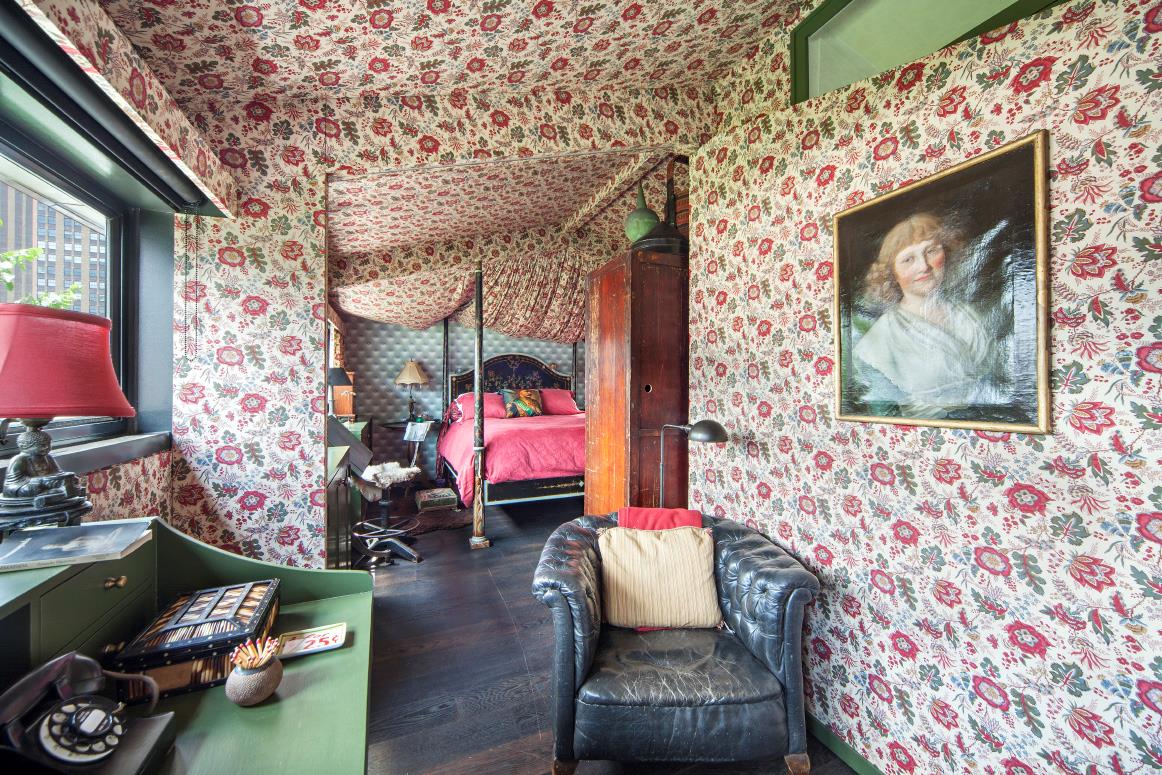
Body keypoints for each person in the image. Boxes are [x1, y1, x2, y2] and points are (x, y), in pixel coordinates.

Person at [851, 212, 1008, 419]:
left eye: (931, 251)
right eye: (908, 259)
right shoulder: (881, 338)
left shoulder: (969, 314)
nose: (924, 266)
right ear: (892, 273)